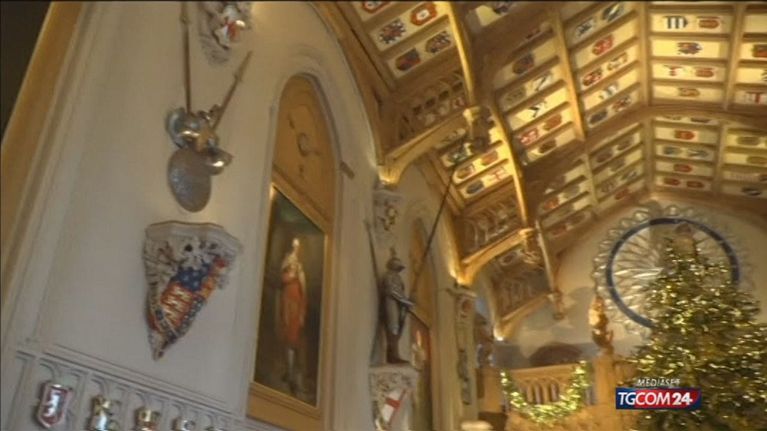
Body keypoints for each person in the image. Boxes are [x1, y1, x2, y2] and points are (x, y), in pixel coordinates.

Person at [280, 238, 307, 395]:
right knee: (286, 335)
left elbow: (304, 294)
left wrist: (302, 312)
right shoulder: (287, 272)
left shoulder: (299, 275)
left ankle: (292, 373)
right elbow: (283, 277)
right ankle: (288, 371)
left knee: (293, 338)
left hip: (295, 307)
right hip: (287, 304)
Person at [381, 250, 414, 363]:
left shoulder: (397, 278)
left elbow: (400, 291)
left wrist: (406, 302)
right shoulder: (388, 276)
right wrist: (406, 302)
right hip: (391, 303)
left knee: (398, 327)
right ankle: (392, 354)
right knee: (393, 327)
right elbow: (393, 291)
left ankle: (395, 353)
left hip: (399, 305)